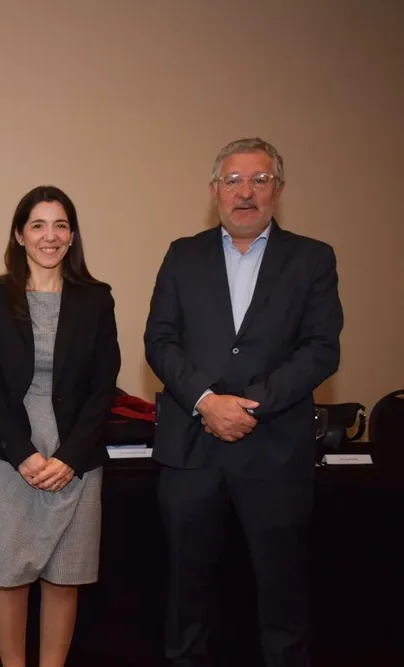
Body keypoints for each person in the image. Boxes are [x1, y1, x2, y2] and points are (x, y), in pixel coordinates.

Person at [144, 137, 343, 667]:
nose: (245, 192)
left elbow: (322, 350)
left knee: (283, 597)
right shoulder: (182, 254)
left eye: (259, 180)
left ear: (278, 189)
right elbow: (159, 341)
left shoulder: (313, 259)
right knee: (185, 596)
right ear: (214, 192)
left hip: (275, 453)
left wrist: (248, 406)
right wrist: (208, 401)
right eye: (233, 181)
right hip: (192, 452)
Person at [0, 185, 121, 667]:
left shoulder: (96, 299)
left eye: (60, 225)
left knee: (64, 577)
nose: (49, 236)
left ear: (72, 236)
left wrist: (70, 456)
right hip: (11, 452)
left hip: (76, 455)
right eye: (38, 225)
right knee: (8, 577)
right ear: (19, 234)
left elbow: (104, 384)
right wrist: (23, 453)